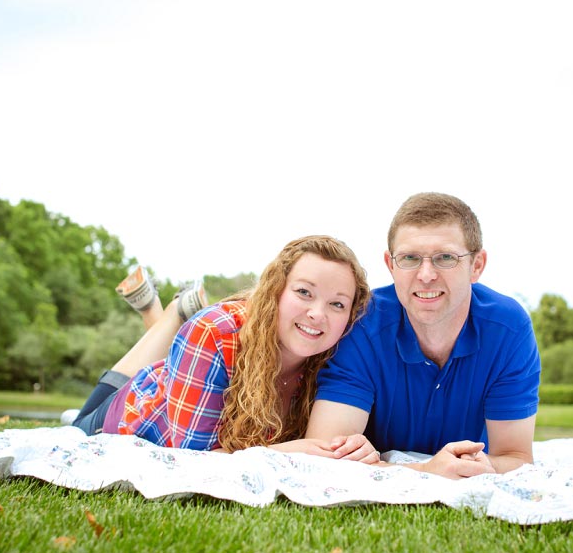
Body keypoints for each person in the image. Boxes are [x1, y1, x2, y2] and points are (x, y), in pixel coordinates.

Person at [65, 235, 378, 459]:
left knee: (176, 358)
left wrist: (356, 448)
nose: (318, 314)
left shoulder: (338, 354)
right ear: (276, 291)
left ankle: (163, 312)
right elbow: (190, 459)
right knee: (77, 423)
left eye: (337, 303)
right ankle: (171, 312)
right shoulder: (214, 331)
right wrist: (278, 452)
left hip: (177, 373)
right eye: (304, 292)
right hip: (134, 412)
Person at [306, 192, 541, 479]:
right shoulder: (362, 325)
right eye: (410, 258)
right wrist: (428, 470)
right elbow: (326, 454)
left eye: (445, 258)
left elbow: (515, 457)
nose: (426, 275)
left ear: (476, 266)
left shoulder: (509, 329)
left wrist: (482, 466)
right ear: (391, 265)